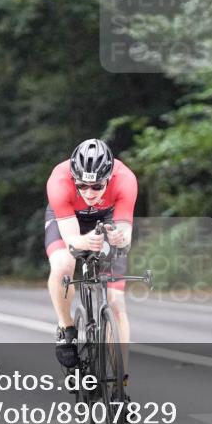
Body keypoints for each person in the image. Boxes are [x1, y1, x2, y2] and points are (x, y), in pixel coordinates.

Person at [45, 139, 136, 378]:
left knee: (116, 302)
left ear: (109, 178)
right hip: (66, 220)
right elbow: (72, 240)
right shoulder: (59, 180)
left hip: (107, 219)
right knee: (63, 265)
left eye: (97, 186)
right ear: (74, 178)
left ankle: (120, 381)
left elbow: (126, 233)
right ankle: (66, 328)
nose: (89, 193)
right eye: (82, 186)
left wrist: (119, 238)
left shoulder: (125, 179)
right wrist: (81, 243)